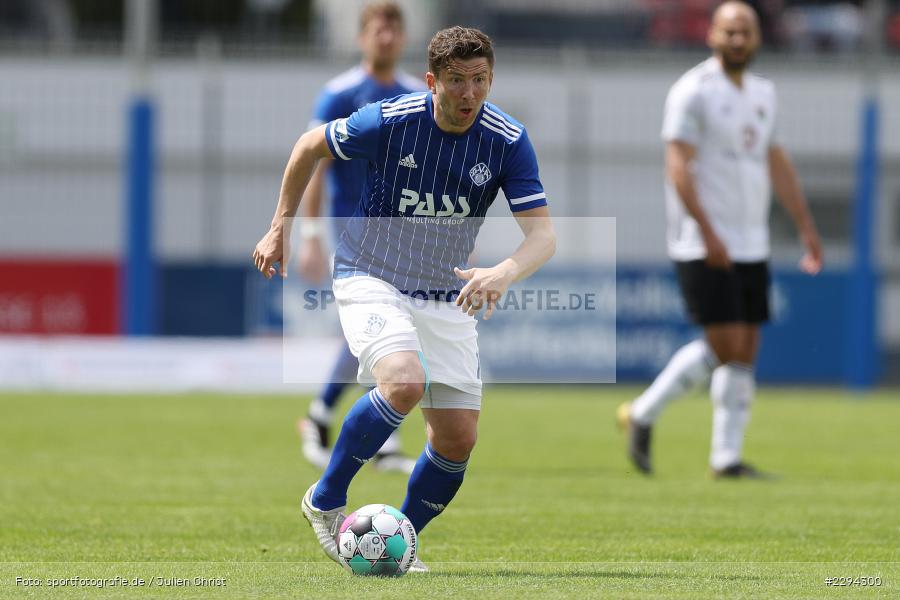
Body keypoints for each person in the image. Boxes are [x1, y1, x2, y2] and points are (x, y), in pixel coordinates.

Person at [253, 26, 556, 570]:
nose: (469, 93)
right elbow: (308, 147)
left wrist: (504, 271)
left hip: (445, 292)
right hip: (371, 274)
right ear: (432, 81)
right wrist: (282, 228)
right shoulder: (390, 120)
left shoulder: (507, 139)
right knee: (404, 381)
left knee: (458, 439)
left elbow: (543, 235)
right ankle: (325, 498)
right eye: (457, 80)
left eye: (480, 79)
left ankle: (400, 539)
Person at [617, 1, 823, 478]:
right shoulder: (694, 90)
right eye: (729, 31)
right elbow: (677, 166)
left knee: (745, 348)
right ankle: (643, 412)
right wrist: (708, 231)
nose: (737, 39)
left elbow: (776, 162)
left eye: (745, 31)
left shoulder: (764, 93)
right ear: (712, 35)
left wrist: (806, 226)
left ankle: (725, 458)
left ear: (758, 37)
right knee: (726, 344)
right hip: (703, 239)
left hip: (752, 240)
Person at [296, 0, 425, 475]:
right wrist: (310, 233)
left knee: (380, 328)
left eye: (393, 29)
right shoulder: (339, 94)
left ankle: (324, 416)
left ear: (403, 37)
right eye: (377, 29)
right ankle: (372, 434)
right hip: (354, 228)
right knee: (384, 324)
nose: (385, 37)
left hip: (405, 231)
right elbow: (315, 163)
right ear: (362, 37)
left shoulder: (417, 96)